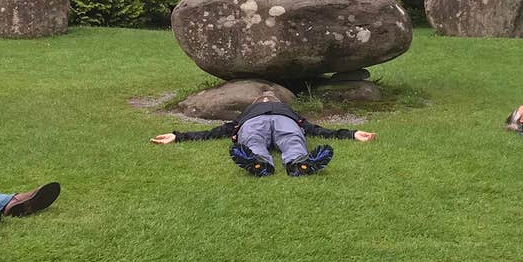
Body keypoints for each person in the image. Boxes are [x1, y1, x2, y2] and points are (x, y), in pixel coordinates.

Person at [150, 88, 377, 176]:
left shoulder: (288, 110)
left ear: (277, 100)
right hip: (254, 123)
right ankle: (258, 163)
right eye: (264, 96)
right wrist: (179, 136)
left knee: (292, 138)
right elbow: (218, 130)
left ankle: (299, 163)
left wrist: (352, 133)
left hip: (285, 121)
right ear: (257, 101)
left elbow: (315, 129)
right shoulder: (247, 113)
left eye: (270, 95)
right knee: (252, 139)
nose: (267, 96)